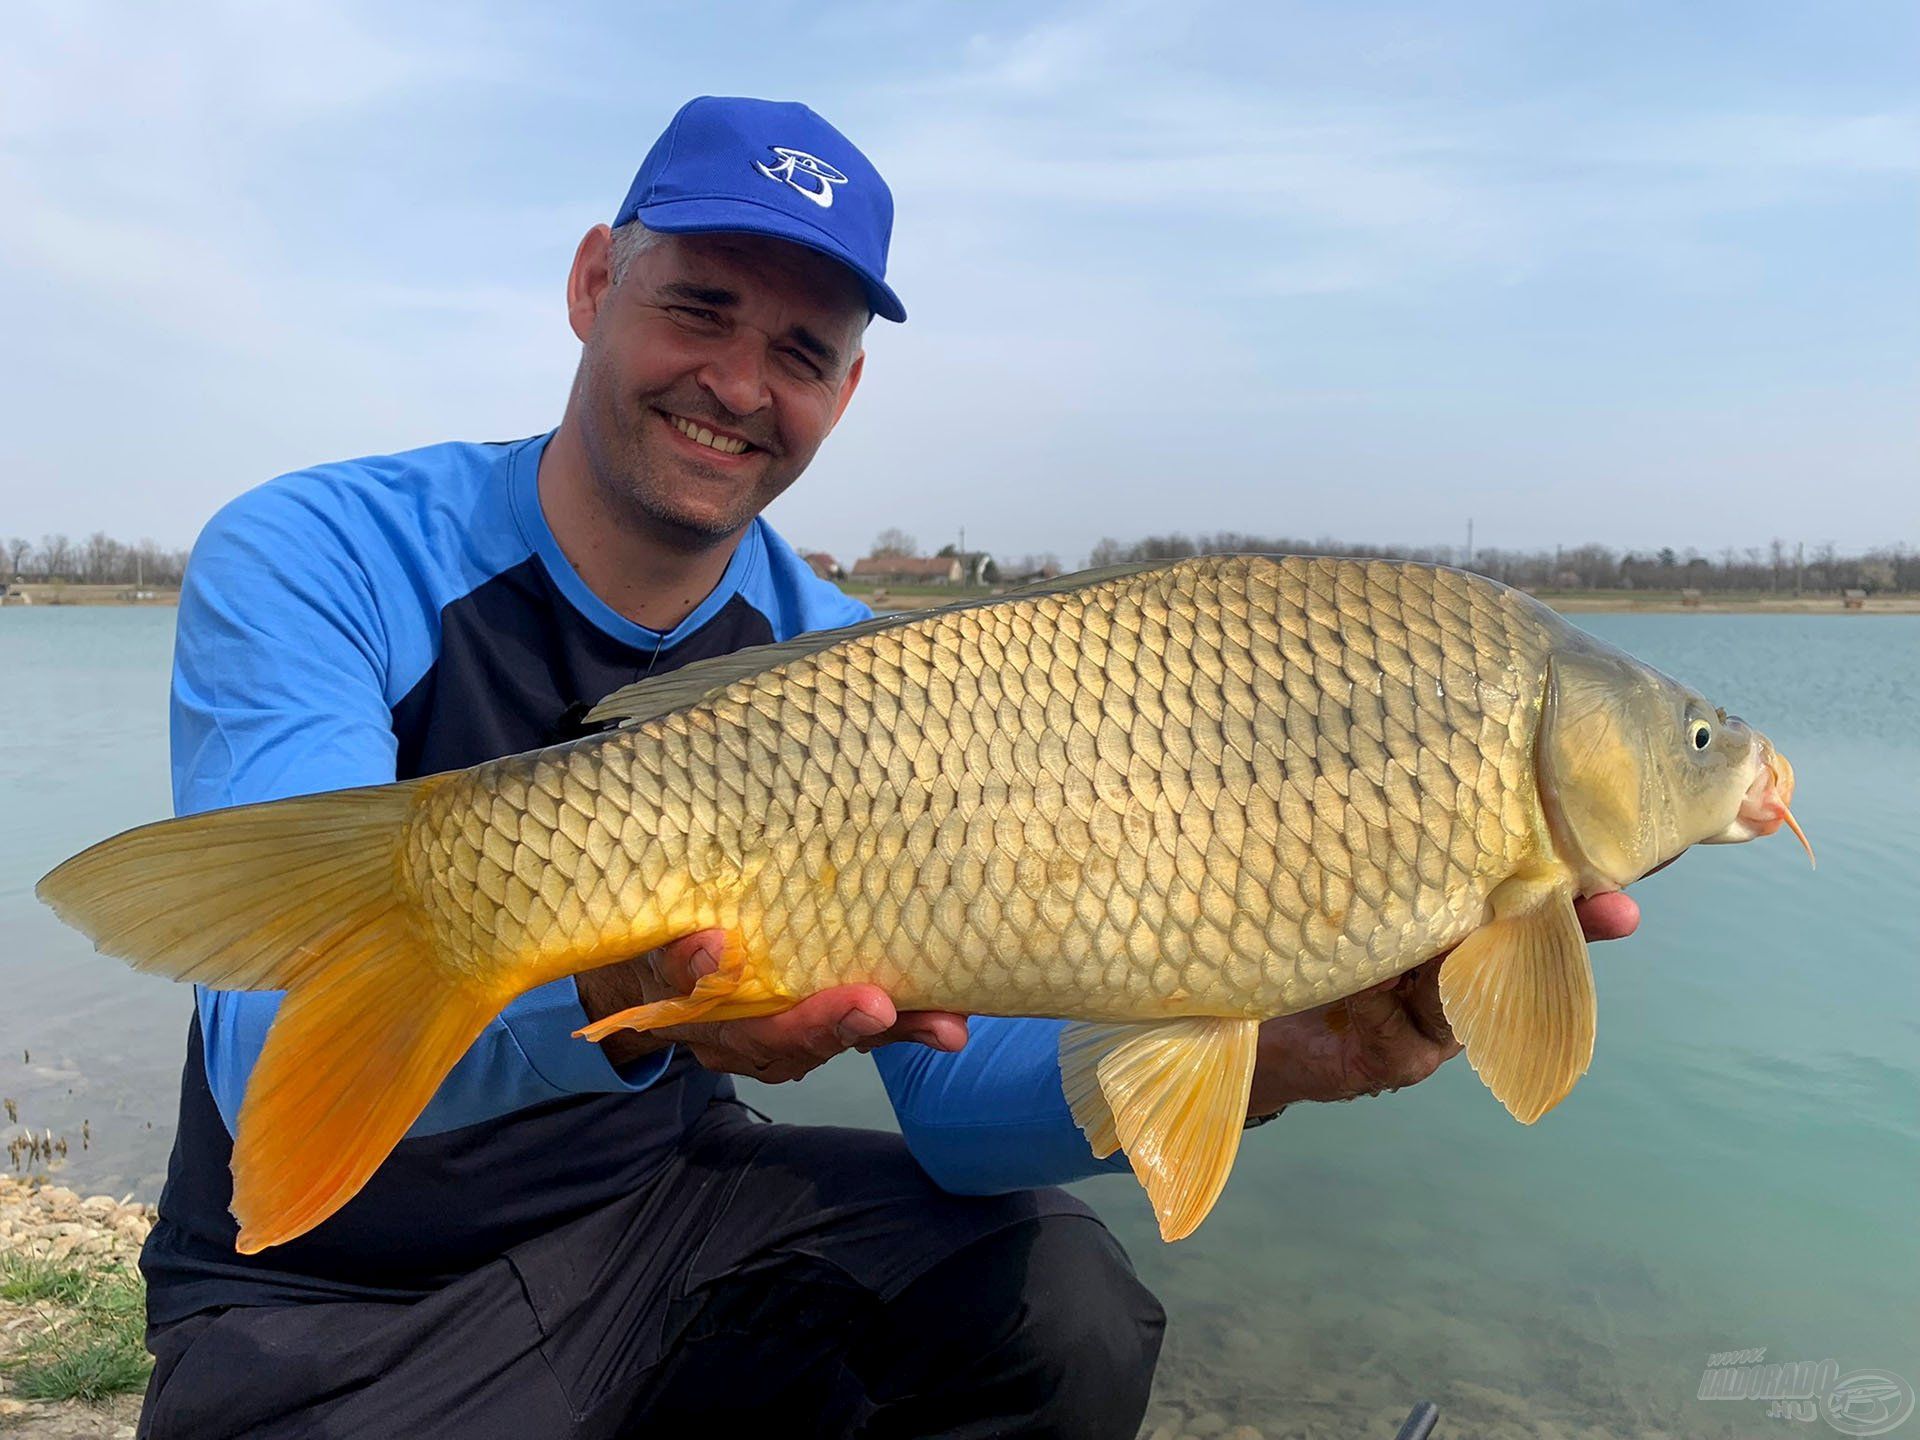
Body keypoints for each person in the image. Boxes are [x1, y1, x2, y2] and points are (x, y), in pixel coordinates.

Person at [132, 96, 1641, 1440]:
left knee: (1065, 1307)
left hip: (654, 1205)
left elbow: (957, 1096)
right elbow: (268, 1043)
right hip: (329, 1286)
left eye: (800, 351)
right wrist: (612, 996)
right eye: (699, 309)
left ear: (843, 394)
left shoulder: (863, 670)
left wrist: (1275, 1060)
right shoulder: (321, 553)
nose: (737, 380)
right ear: (595, 283)